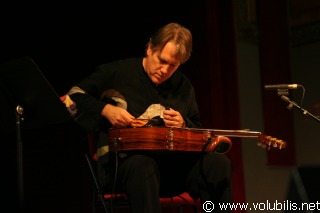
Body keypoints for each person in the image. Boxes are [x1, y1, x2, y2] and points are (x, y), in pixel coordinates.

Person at [67, 22, 232, 213]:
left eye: (173, 66)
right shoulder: (117, 72)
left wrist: (183, 124)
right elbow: (72, 96)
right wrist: (106, 110)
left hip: (171, 170)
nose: (164, 70)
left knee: (218, 163)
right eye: (161, 60)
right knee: (143, 165)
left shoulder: (183, 86)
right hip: (123, 166)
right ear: (149, 48)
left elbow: (197, 128)